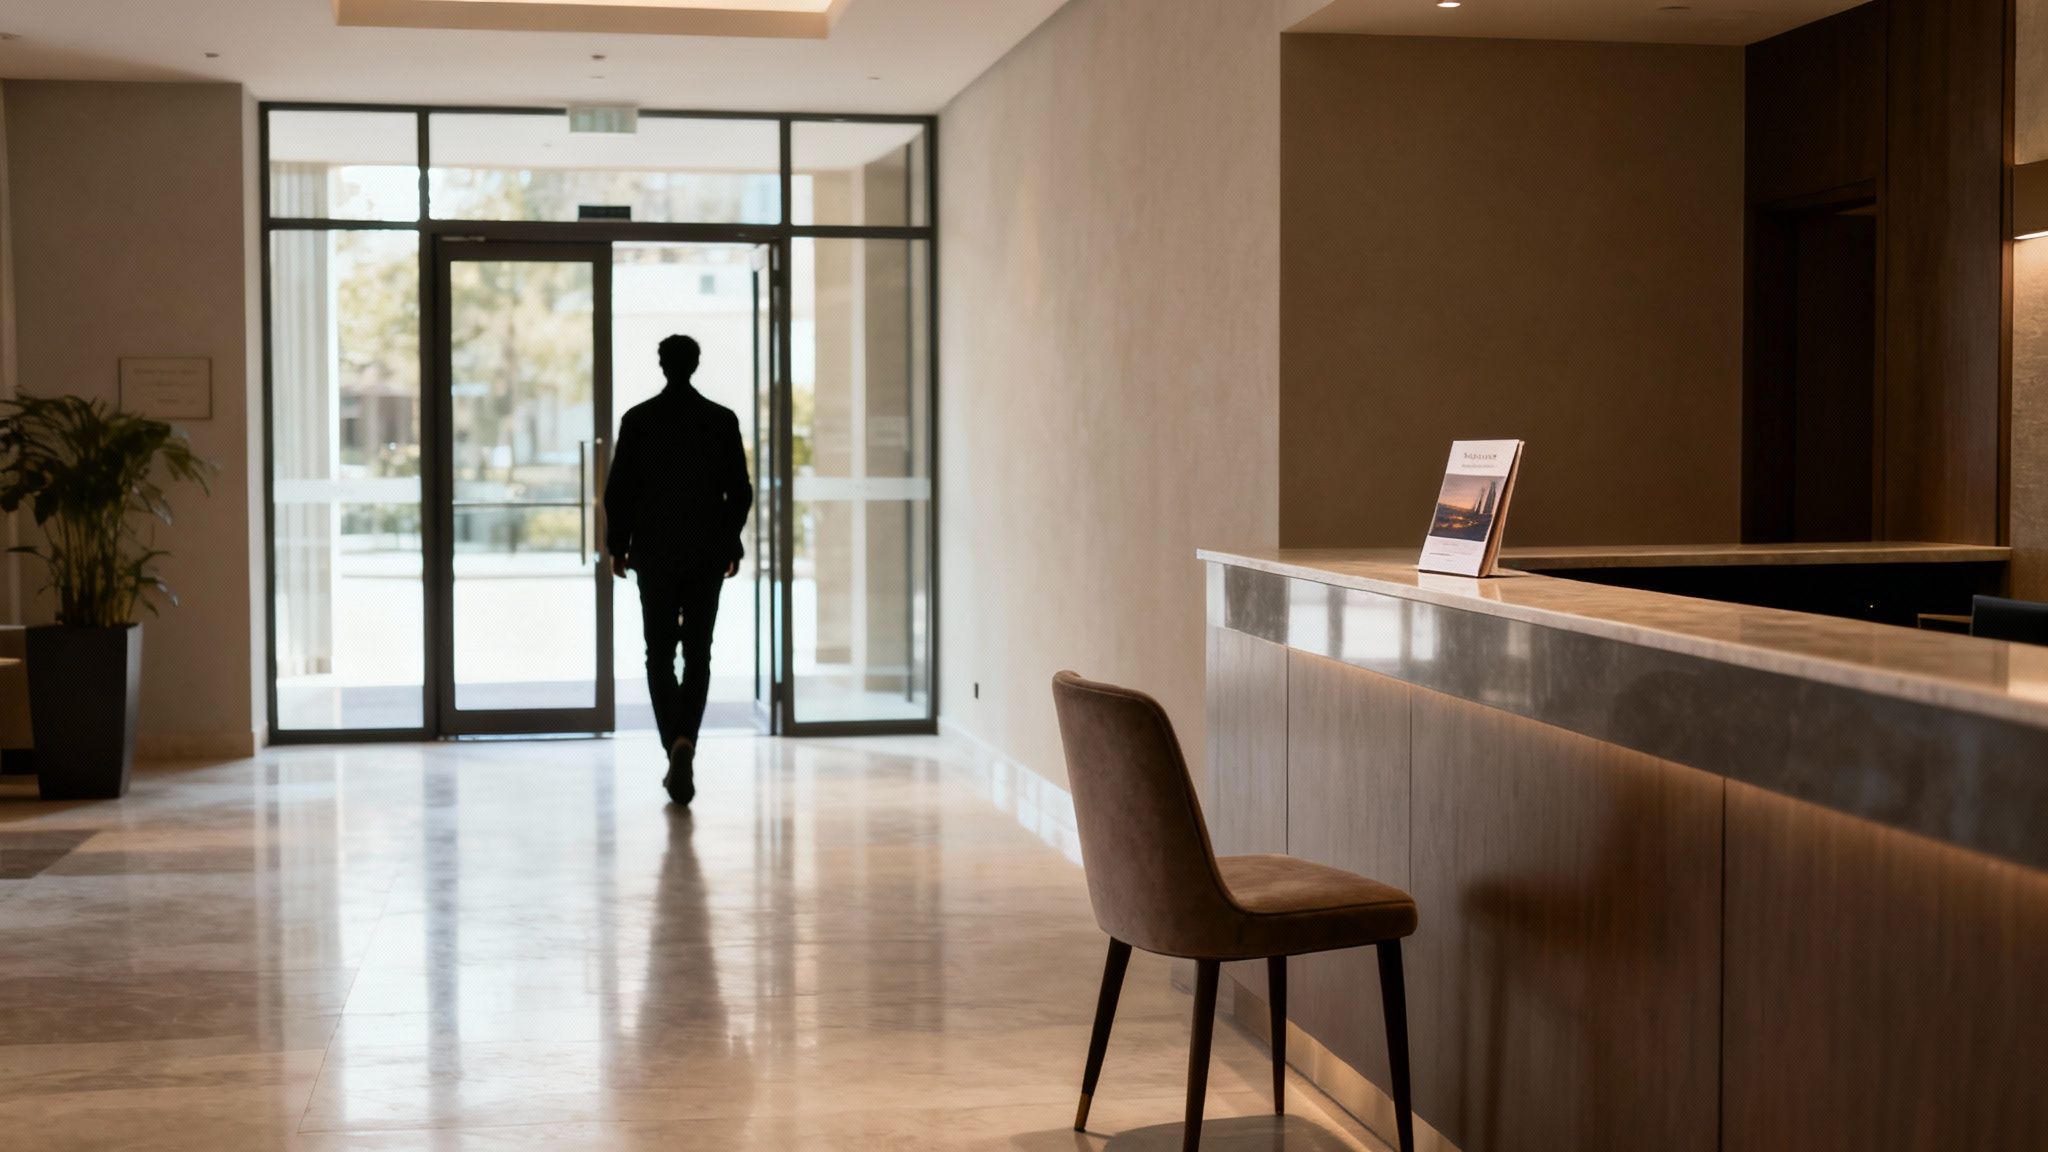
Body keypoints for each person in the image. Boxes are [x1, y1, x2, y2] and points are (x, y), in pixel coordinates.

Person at [604, 335, 752, 806]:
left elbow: (619, 491)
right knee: (699, 652)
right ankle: (687, 737)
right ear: (696, 365)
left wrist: (618, 547)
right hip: (706, 553)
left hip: (655, 553)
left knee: (659, 653)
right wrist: (731, 540)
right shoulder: (721, 420)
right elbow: (740, 491)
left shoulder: (639, 420)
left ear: (662, 365)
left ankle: (675, 744)